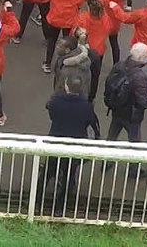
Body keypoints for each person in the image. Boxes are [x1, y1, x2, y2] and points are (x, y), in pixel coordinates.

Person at [44, 74, 99, 206]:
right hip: (75, 144)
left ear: (66, 86)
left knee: (48, 171)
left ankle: (37, 198)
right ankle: (60, 205)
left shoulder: (56, 102)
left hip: (56, 142)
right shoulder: (87, 107)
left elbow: (52, 115)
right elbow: (93, 123)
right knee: (69, 174)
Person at [103, 42, 147, 149]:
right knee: (134, 142)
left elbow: (109, 83)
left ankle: (106, 156)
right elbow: (142, 102)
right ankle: (134, 159)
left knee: (112, 136)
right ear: (141, 58)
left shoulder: (119, 65)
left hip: (116, 108)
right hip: (132, 115)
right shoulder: (140, 76)